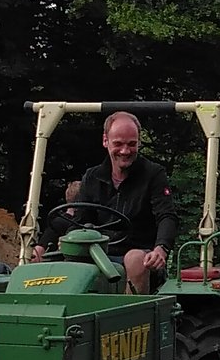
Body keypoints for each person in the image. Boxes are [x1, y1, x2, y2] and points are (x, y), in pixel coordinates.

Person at [32, 112, 177, 293]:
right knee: (62, 258)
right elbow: (81, 219)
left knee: (134, 259)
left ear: (139, 143)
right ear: (105, 141)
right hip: (97, 251)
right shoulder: (92, 177)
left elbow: (166, 216)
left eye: (132, 144)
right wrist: (68, 238)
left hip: (140, 254)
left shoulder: (153, 174)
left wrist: (161, 249)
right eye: (118, 144)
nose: (125, 151)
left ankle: (132, 309)